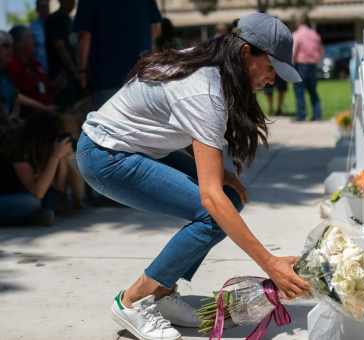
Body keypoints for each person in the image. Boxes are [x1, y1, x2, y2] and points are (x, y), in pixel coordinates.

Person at [76, 13, 308, 340]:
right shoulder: (205, 90)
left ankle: (162, 293)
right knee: (213, 212)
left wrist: (223, 173)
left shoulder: (214, 68)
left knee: (228, 201)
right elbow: (209, 199)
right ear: (246, 53)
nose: (273, 80)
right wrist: (270, 264)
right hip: (105, 156)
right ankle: (132, 301)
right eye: (271, 68)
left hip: (137, 147)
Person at [0, 113, 75, 226]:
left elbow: (59, 190)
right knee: (32, 203)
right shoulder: (17, 148)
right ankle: (31, 217)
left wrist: (62, 159)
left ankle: (32, 217)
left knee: (55, 199)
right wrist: (55, 157)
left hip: (17, 197)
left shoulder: (38, 152)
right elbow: (38, 193)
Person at [73, 0, 161, 108]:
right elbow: (155, 28)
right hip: (140, 73)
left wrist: (81, 70)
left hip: (104, 76)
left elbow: (84, 36)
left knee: (107, 120)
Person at [0, 30, 55, 118]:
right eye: (5, 46)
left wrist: (45, 108)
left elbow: (15, 96)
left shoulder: (2, 72)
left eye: (11, 46)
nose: (10, 50)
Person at [7, 25, 55, 115]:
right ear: (19, 43)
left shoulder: (36, 64)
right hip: (30, 118)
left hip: (49, 112)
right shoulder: (11, 67)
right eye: (30, 37)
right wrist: (44, 108)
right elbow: (15, 96)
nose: (35, 41)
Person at [45, 0, 80, 110]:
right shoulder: (56, 18)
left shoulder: (68, 19)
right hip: (62, 77)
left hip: (71, 76)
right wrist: (75, 71)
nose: (73, 2)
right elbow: (60, 47)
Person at [292, 13, 323, 121]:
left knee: (299, 91)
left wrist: (291, 64)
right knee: (313, 91)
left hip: (300, 65)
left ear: (299, 22)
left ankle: (301, 115)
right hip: (313, 65)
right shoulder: (315, 34)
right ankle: (317, 115)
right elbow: (320, 50)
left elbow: (293, 51)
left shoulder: (297, 34)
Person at [29, 0, 50, 73]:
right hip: (41, 71)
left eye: (46, 6)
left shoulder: (56, 24)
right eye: (42, 7)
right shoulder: (32, 28)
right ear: (37, 9)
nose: (45, 9)